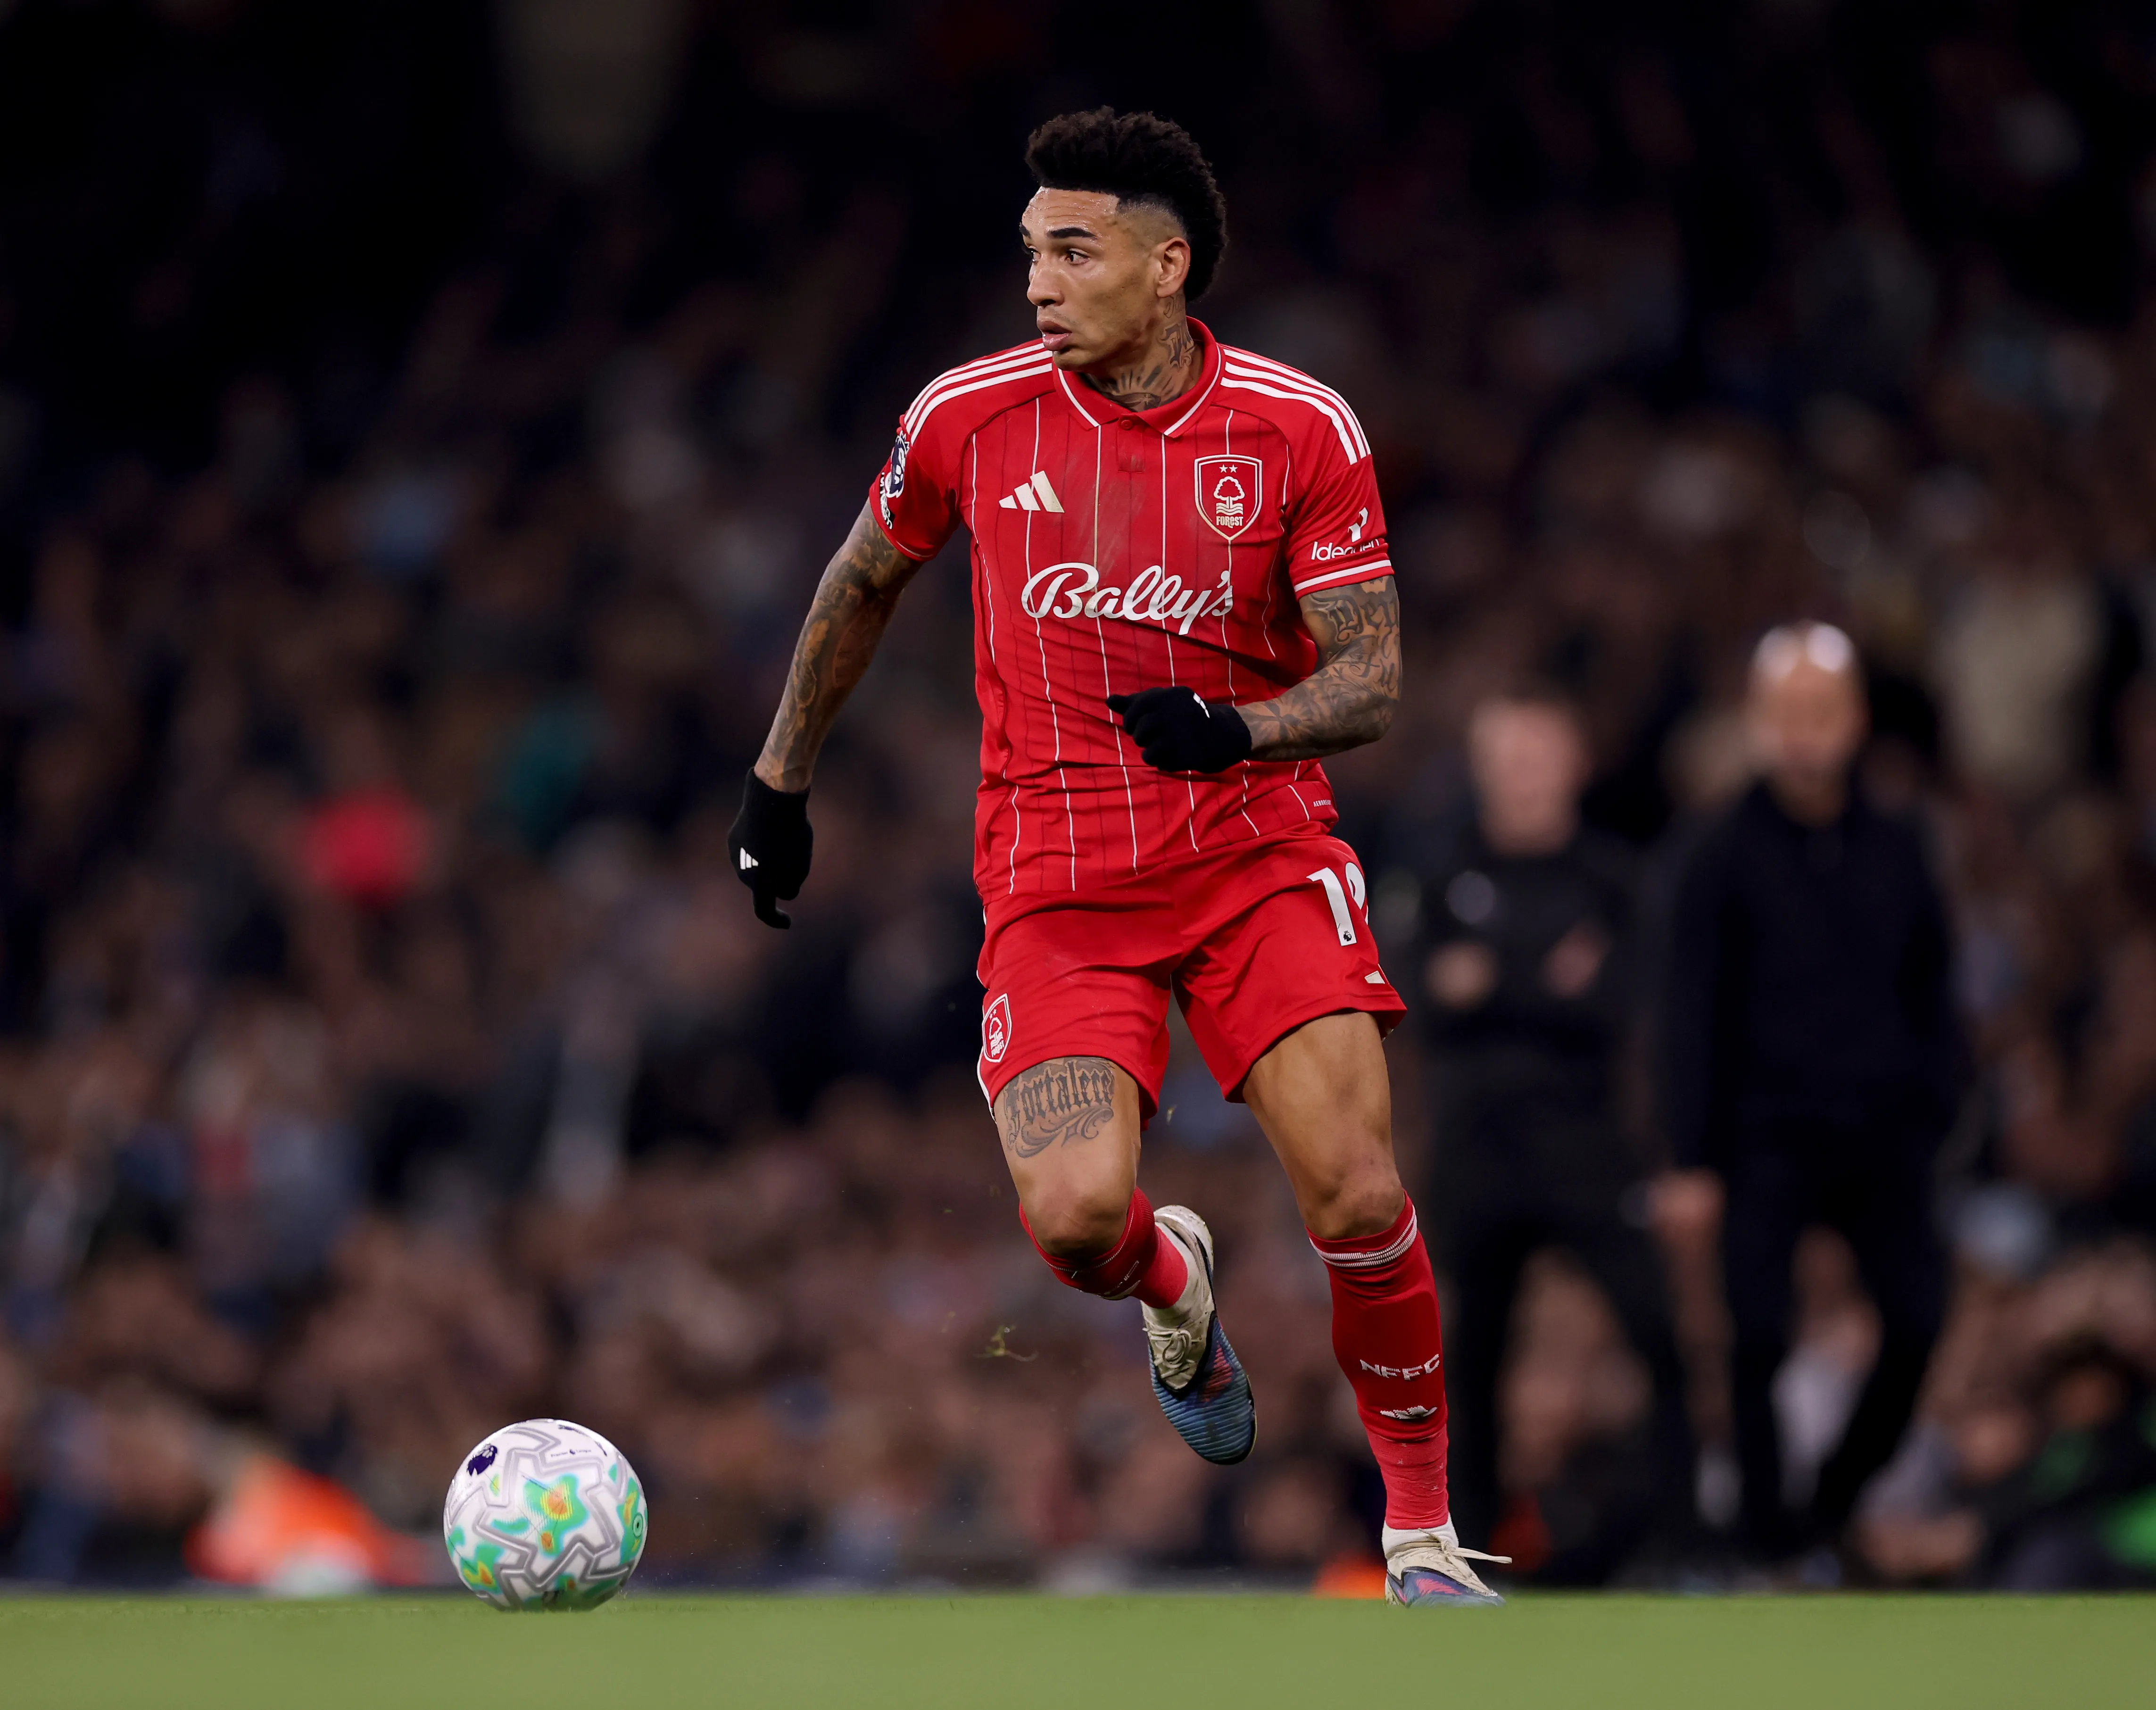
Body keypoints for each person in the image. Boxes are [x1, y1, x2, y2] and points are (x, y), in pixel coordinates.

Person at [725, 108, 1504, 1604]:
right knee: (1076, 1221)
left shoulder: (1297, 427)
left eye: (1071, 251)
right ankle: (1174, 1288)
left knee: (1352, 1185)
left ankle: (1416, 1533)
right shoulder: (967, 415)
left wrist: (1239, 730)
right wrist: (778, 781)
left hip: (1253, 856)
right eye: (1028, 251)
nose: (1037, 281)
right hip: (1058, 890)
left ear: (1169, 265)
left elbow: (1374, 679)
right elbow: (861, 578)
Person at [1657, 623, 1963, 1563]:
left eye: (1821, 711)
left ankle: (1831, 1499)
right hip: (1764, 1134)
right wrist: (1690, 1159)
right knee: (1755, 1340)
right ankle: (1765, 1542)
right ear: (1756, 722)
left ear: (1856, 719)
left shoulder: (1903, 843)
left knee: (1916, 1319)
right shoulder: (1715, 853)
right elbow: (1688, 1014)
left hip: (1882, 1136)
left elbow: (1934, 994)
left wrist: (1938, 1117)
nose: (1803, 733)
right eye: (1784, 713)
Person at [1418, 687, 1694, 1571]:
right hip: (1478, 1155)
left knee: (1662, 1335)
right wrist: (1547, 979)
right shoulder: (1439, 872)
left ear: (1576, 763)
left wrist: (1493, 983)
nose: (1523, 776)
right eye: (1507, 759)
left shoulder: (1616, 880)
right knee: (1469, 1362)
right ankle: (1466, 1546)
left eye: (1538, 755)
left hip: (1587, 1150)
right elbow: (1420, 999)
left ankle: (1680, 1535)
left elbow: (1621, 1007)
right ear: (1482, 769)